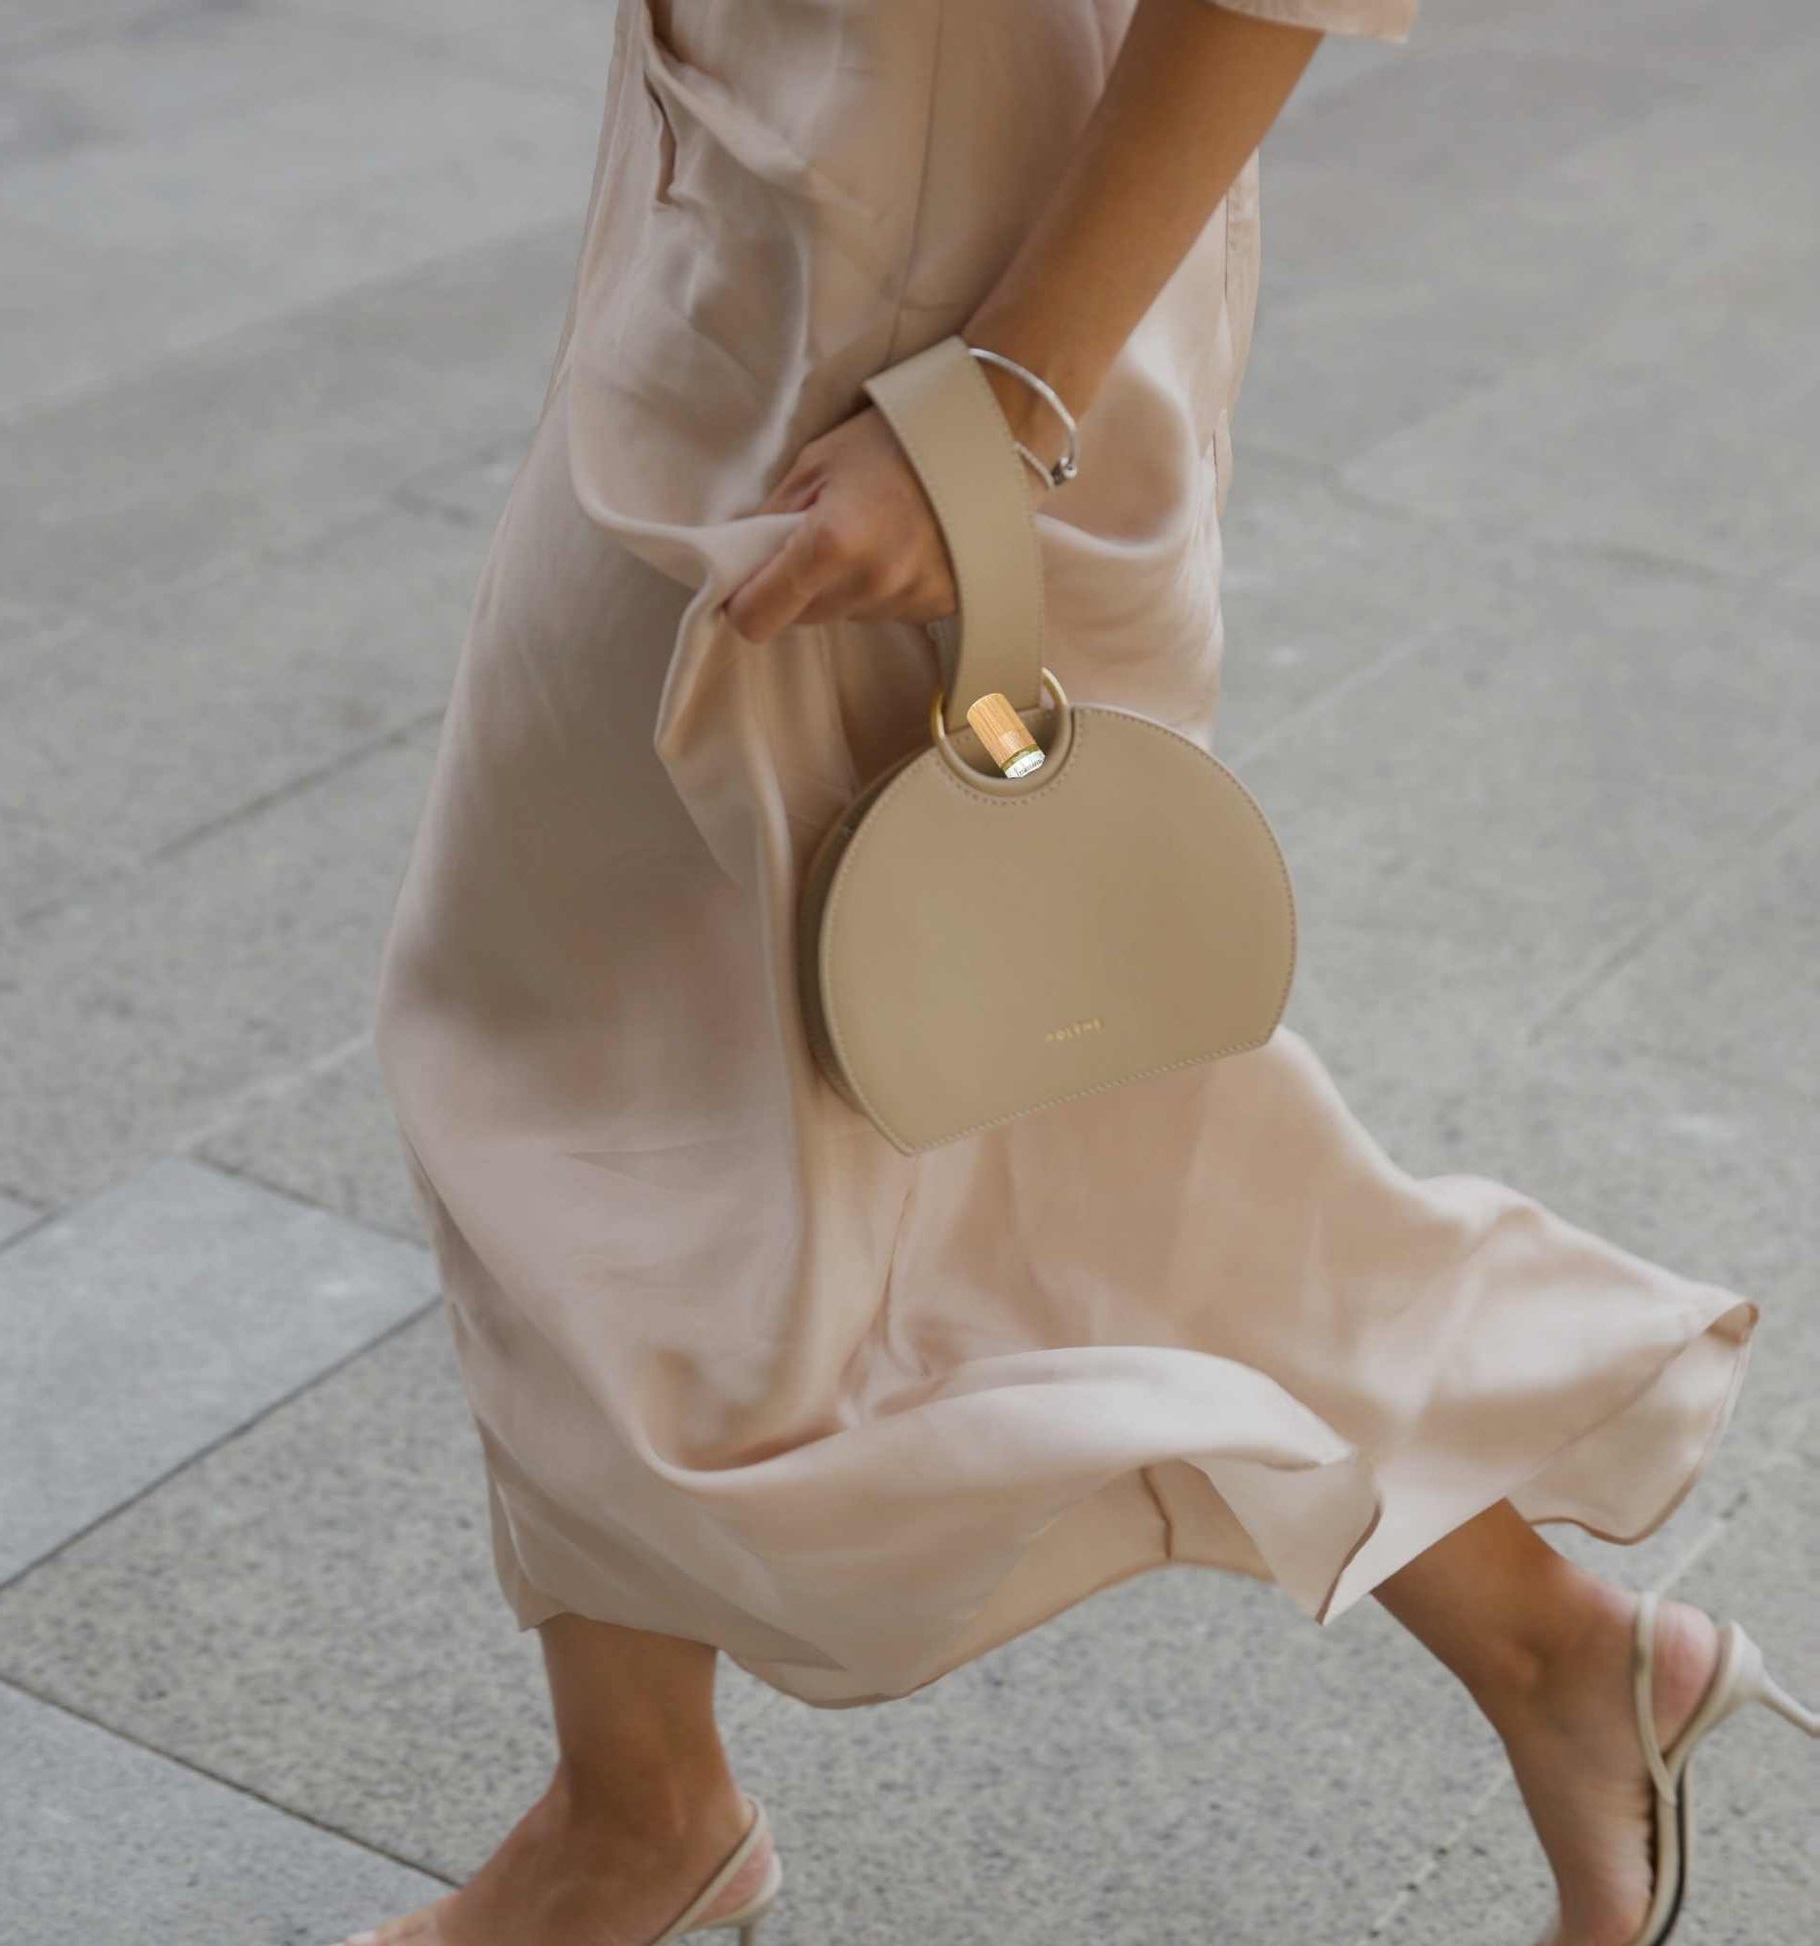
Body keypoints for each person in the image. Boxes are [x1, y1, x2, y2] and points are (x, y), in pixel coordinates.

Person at [352, 4, 1811, 1944]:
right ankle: (1559, 1656)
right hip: (771, 218)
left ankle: (640, 1819)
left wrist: (1000, 397)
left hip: (927, 318)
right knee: (943, 1108)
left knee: (590, 1050)